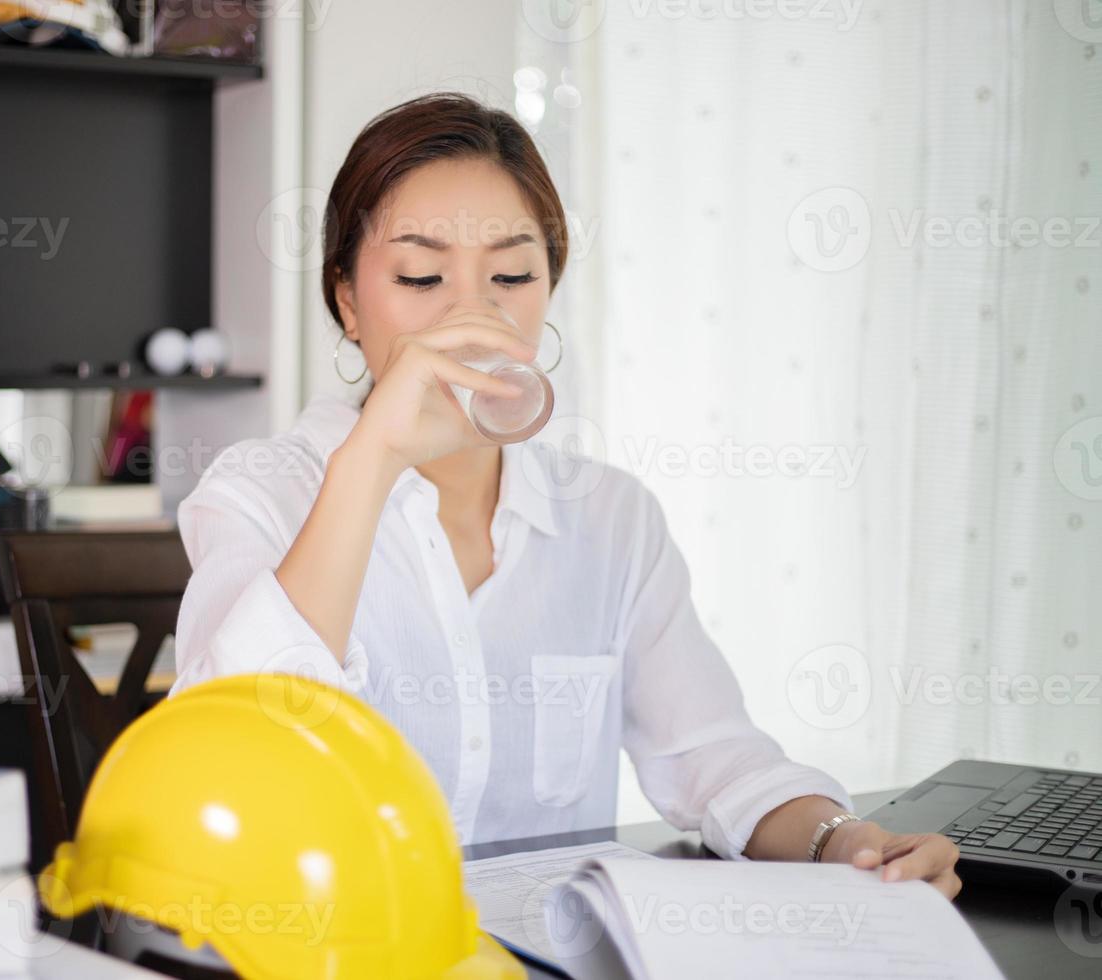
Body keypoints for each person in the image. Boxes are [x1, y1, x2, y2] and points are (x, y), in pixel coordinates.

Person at [170, 93, 961, 897]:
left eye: (511, 274)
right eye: (420, 275)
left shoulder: (610, 519)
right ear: (346, 301)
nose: (472, 313)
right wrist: (370, 457)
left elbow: (715, 758)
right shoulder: (257, 493)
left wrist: (850, 843)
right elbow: (233, 757)